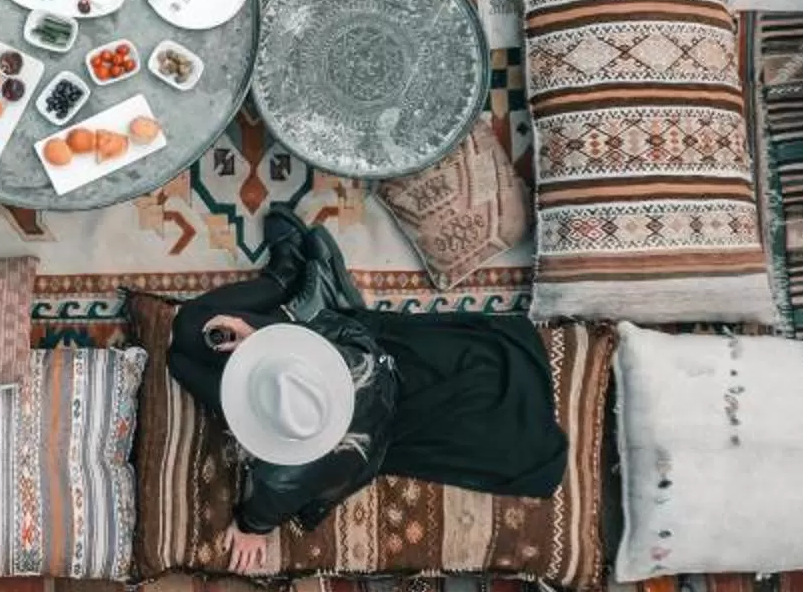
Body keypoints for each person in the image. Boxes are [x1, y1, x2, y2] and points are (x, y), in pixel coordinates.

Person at [170, 208, 567, 573]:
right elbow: (345, 326)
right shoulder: (352, 356)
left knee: (182, 350)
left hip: (277, 406)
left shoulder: (292, 470)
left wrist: (250, 527)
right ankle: (285, 276)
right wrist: (260, 336)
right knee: (195, 336)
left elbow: (266, 507)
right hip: (322, 380)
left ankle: (281, 279)